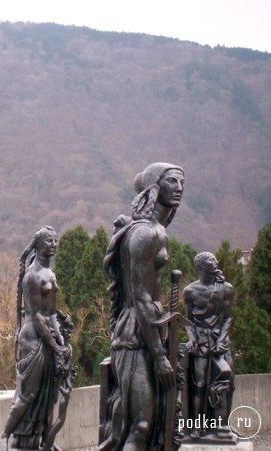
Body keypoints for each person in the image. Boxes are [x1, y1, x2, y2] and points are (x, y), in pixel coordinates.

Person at [100, 162, 185, 450]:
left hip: (149, 331)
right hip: (135, 336)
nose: (179, 188)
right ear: (154, 187)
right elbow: (141, 298)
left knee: (152, 426)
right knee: (140, 424)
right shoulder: (144, 234)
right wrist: (160, 356)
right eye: (172, 181)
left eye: (182, 182)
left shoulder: (157, 231)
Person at [0, 226, 72, 451]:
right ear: (38, 245)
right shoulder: (31, 276)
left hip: (48, 337)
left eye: (55, 240)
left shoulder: (51, 274)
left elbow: (51, 315)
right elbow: (37, 316)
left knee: (48, 395)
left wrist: (61, 342)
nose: (54, 244)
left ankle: (43, 439)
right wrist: (54, 345)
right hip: (33, 340)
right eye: (49, 240)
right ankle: (4, 434)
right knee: (28, 394)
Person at [183, 252, 235, 442]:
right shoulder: (189, 291)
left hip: (219, 339)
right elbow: (188, 320)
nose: (217, 262)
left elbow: (228, 317)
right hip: (201, 341)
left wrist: (222, 339)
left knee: (229, 381)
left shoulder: (226, 289)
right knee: (199, 384)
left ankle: (223, 425)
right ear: (201, 266)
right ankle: (196, 426)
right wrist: (192, 338)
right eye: (212, 260)